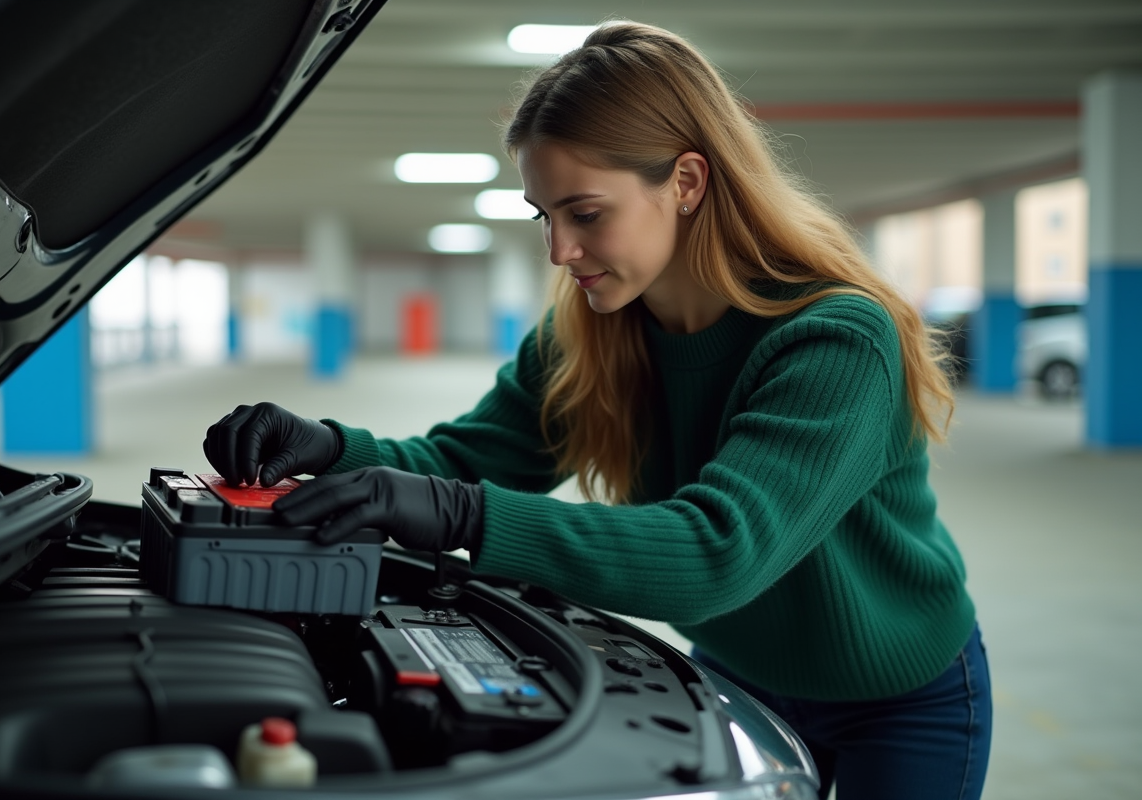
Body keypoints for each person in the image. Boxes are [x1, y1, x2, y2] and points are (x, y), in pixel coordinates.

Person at [203, 22, 991, 800]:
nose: (559, 251)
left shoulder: (837, 340)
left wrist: (460, 516)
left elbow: (717, 554)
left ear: (686, 182)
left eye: (585, 214)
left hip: (897, 698)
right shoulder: (593, 327)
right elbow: (468, 460)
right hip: (736, 672)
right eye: (544, 216)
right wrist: (332, 448)